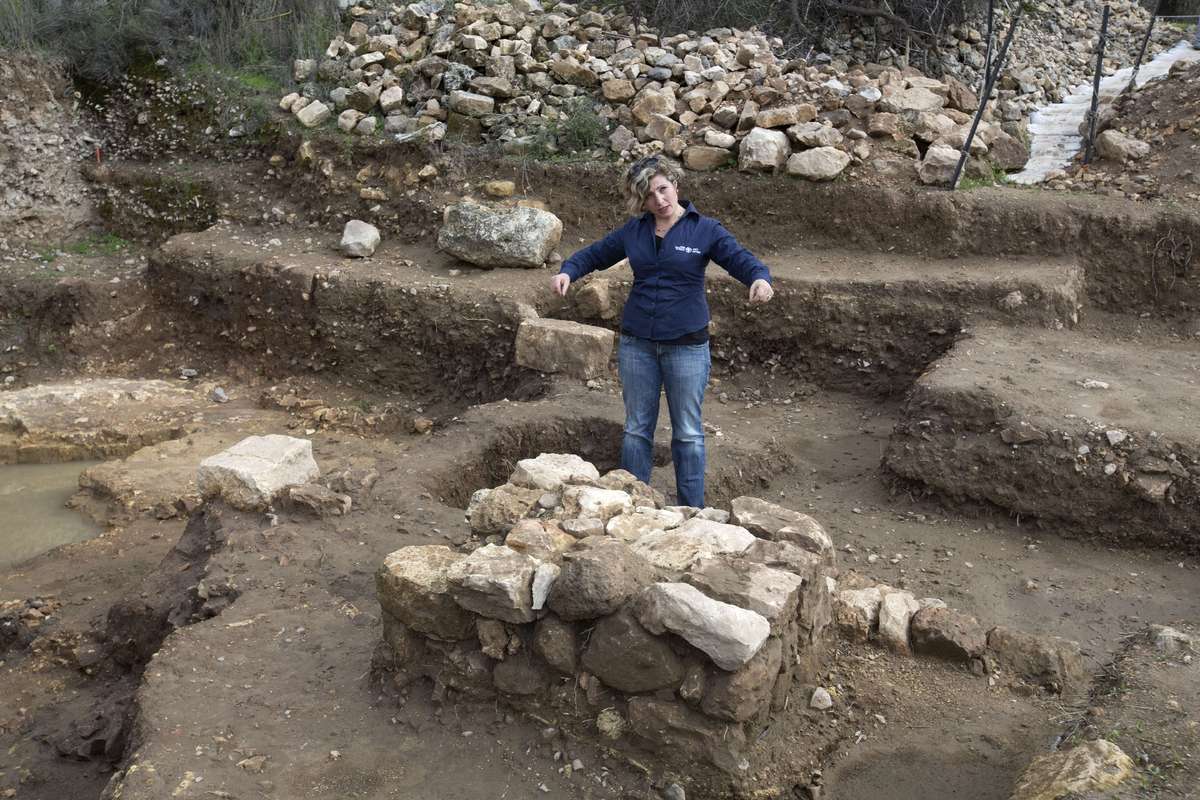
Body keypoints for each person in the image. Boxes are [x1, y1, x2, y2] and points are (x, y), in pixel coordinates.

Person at [551, 156, 774, 508]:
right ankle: (632, 506)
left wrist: (760, 279)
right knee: (637, 429)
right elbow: (595, 254)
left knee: (687, 433)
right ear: (641, 201)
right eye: (649, 195)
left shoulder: (705, 229)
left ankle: (692, 511)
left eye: (662, 189)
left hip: (686, 345)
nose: (659, 200)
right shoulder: (635, 230)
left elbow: (741, 260)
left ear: (675, 185)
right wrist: (568, 271)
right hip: (637, 343)